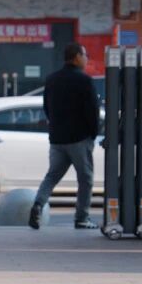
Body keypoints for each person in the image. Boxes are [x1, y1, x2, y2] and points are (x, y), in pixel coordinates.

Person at [30, 42, 100, 230]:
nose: (86, 59)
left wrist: (56, 128)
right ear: (77, 57)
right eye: (85, 55)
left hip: (57, 139)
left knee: (52, 176)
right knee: (85, 179)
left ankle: (38, 205)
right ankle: (82, 218)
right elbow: (92, 111)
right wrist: (93, 134)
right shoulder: (84, 80)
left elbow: (46, 107)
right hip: (79, 139)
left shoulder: (52, 79)